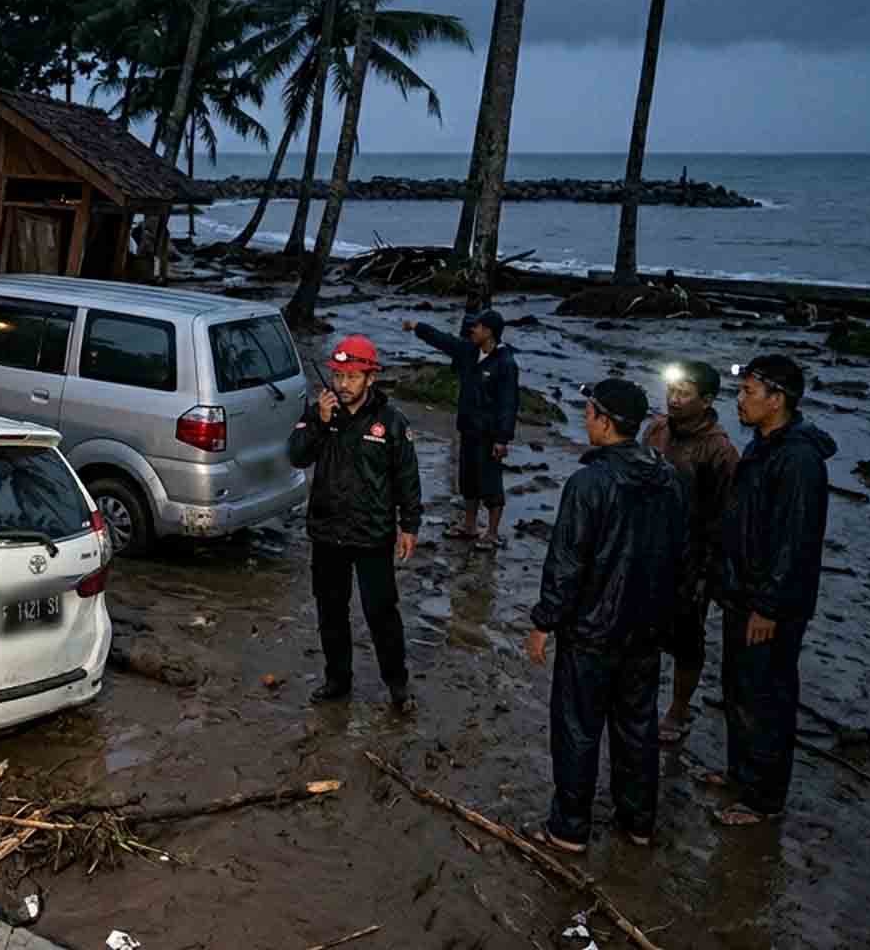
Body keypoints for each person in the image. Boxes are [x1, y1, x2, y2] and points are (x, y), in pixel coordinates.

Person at [527, 378, 688, 853]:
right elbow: (679, 556)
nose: (585, 419)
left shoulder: (589, 483)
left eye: (589, 411)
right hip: (645, 631)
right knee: (636, 728)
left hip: (592, 631)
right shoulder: (667, 480)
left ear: (604, 419)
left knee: (578, 728)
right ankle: (638, 821)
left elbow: (566, 562)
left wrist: (543, 622)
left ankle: (569, 827)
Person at [707, 354, 836, 827]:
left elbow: (794, 542)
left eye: (749, 393)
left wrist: (768, 605)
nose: (740, 400)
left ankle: (764, 799)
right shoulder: (763, 447)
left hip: (770, 604)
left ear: (777, 399)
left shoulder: (798, 460)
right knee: (738, 686)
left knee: (767, 695)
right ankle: (742, 773)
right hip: (743, 593)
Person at [286, 335, 421, 712]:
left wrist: (409, 526)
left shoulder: (391, 423)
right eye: (338, 375)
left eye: (352, 376)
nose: (343, 385)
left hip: (372, 535)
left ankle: (397, 685)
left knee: (382, 613)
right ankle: (337, 680)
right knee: (331, 611)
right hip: (328, 533)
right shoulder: (320, 413)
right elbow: (296, 456)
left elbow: (407, 477)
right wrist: (318, 422)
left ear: (370, 378)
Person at [643, 361, 740, 744]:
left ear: (708, 400)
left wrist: (710, 572)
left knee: (686, 639)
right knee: (642, 630)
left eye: (685, 393)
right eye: (672, 390)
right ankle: (640, 696)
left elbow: (727, 517)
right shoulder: (656, 430)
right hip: (649, 549)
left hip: (692, 560)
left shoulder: (719, 450)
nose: (675, 399)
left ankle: (678, 710)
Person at [404, 309, 519, 550]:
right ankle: (470, 526)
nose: (472, 330)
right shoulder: (469, 351)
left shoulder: (505, 363)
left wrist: (502, 439)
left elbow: (509, 404)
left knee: (490, 483)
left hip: (489, 435)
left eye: (476, 327)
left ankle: (492, 533)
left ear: (488, 332)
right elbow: (444, 341)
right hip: (468, 429)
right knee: (467, 479)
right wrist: (418, 327)